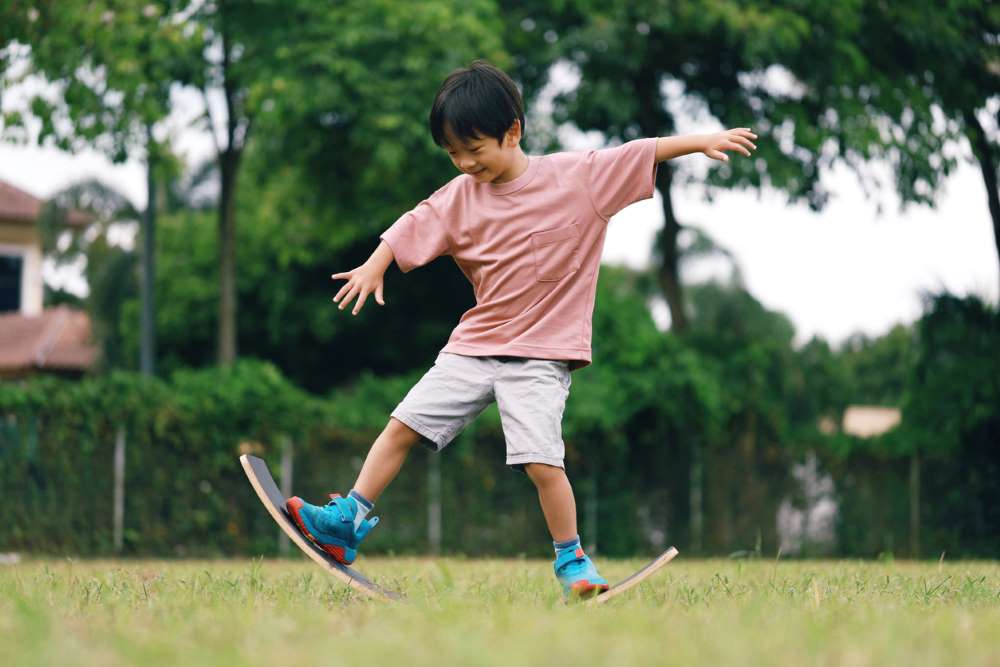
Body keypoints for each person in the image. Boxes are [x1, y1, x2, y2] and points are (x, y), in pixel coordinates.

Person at [286, 60, 756, 599]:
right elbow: (415, 223)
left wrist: (701, 141)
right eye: (452, 153)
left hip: (541, 353)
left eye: (474, 148)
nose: (464, 163)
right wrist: (375, 264)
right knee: (402, 425)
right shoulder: (460, 195)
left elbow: (640, 151)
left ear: (514, 131)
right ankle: (348, 521)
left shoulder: (577, 177)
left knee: (541, 462)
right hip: (476, 345)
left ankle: (572, 560)